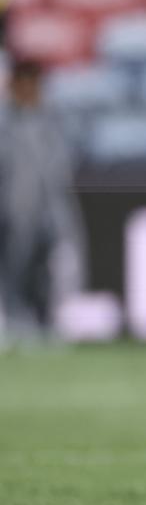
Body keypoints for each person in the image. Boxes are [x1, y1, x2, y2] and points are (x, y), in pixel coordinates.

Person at [0, 59, 84, 345]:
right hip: (12, 208)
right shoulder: (6, 122)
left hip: (50, 208)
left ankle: (47, 320)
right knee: (13, 265)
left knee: (48, 265)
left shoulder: (53, 119)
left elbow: (61, 168)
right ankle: (13, 320)